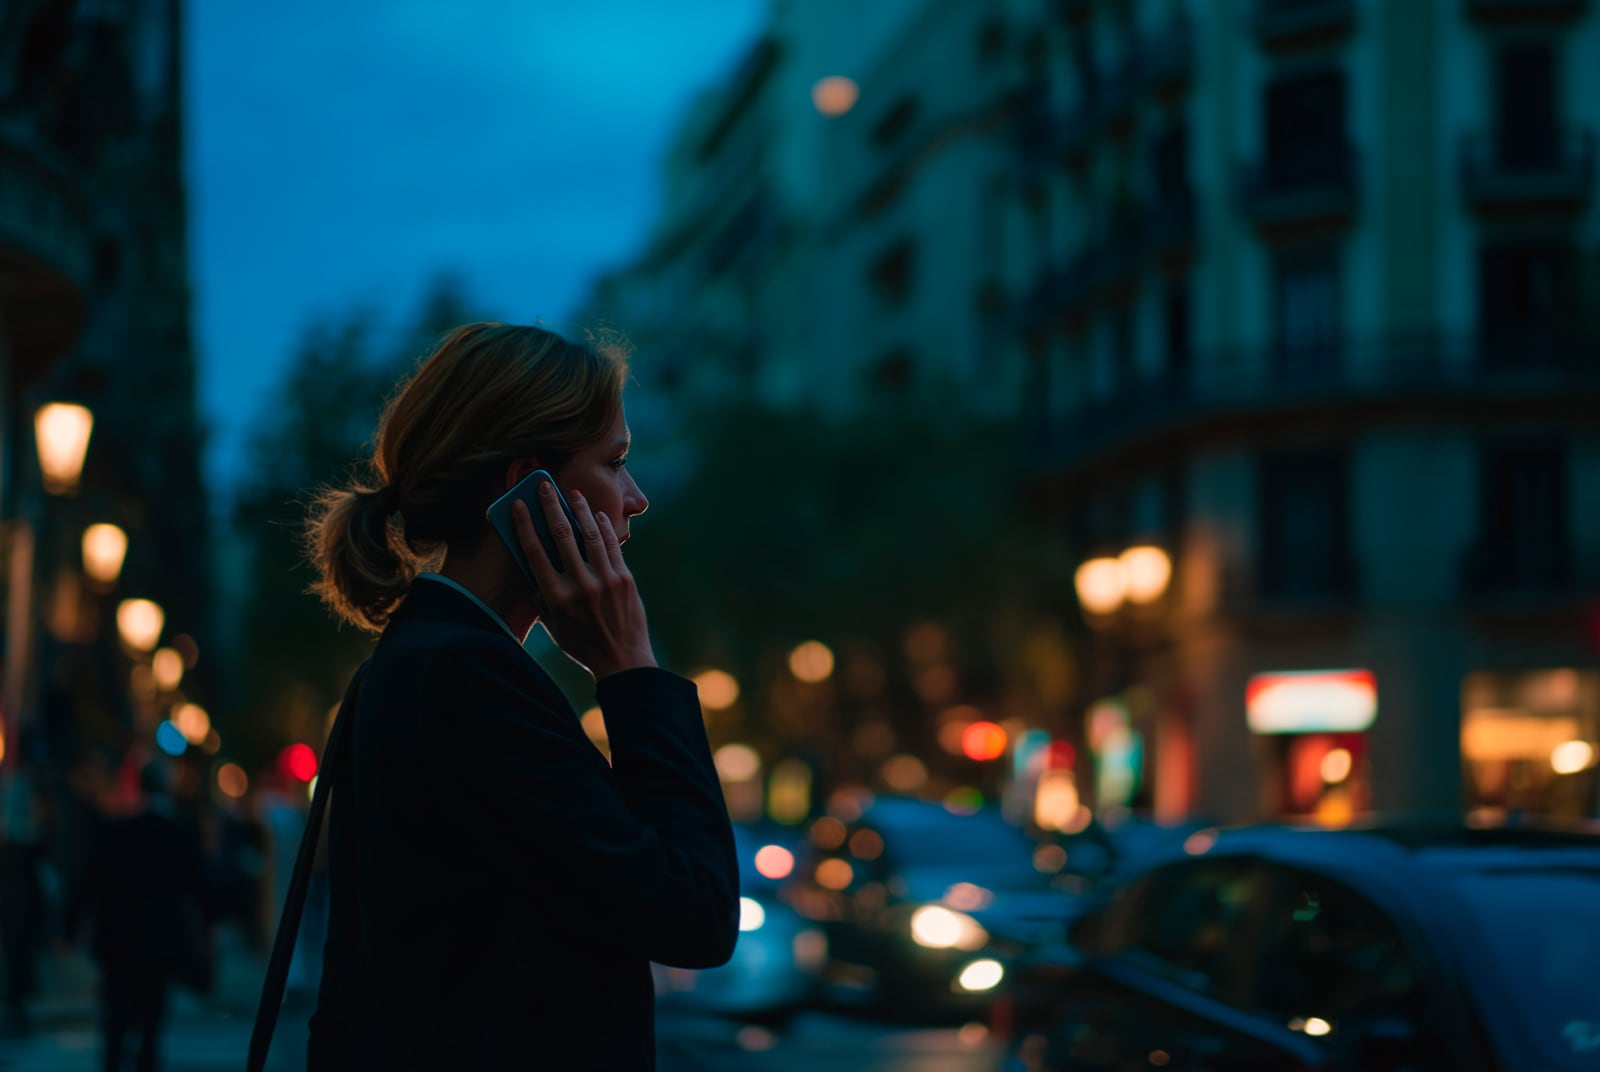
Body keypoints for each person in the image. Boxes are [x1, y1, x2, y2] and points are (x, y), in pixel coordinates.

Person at [302, 322, 739, 1070]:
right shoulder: (465, 680)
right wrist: (632, 670)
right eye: (615, 462)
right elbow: (693, 914)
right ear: (531, 487)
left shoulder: (416, 661)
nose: (634, 500)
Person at [65, 758, 210, 1072]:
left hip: (118, 938)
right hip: (159, 940)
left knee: (116, 1021)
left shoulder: (115, 830)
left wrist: (69, 926)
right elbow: (198, 886)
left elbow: (88, 881)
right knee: (151, 1023)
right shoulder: (176, 832)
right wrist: (206, 928)